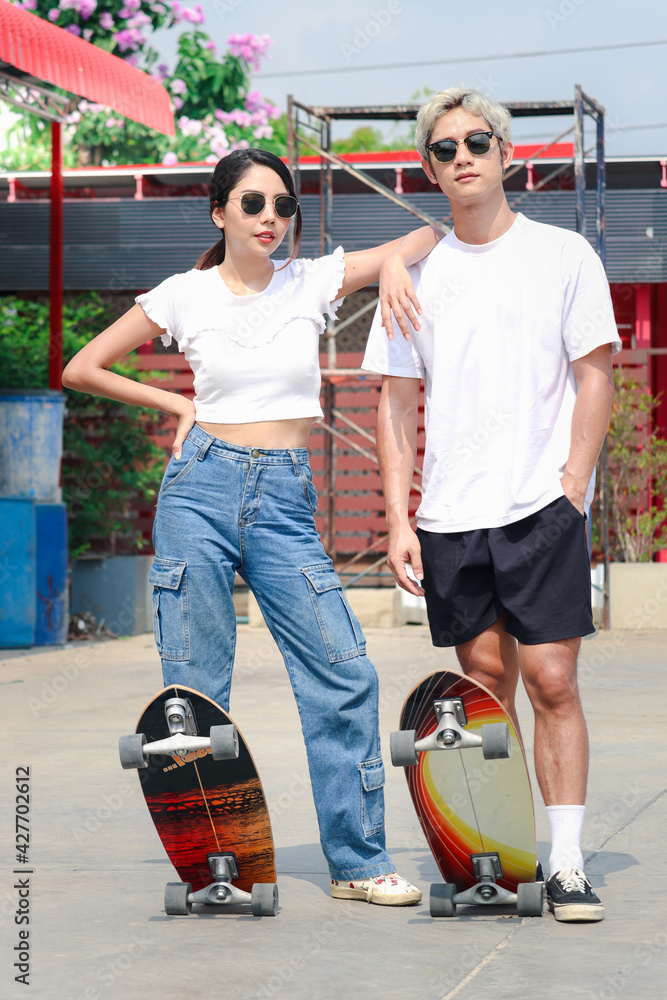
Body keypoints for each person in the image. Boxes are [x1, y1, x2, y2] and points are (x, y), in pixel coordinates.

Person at [62, 147, 444, 906]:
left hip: (283, 501)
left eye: (281, 206)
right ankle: (213, 868)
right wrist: (178, 407)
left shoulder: (312, 280)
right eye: (252, 204)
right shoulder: (183, 294)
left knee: (342, 673)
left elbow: (427, 234)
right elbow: (83, 366)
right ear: (219, 212)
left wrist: (396, 266)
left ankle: (357, 862)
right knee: (194, 692)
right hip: (198, 490)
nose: (270, 218)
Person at [363, 88, 620, 922]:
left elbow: (594, 369)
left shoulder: (562, 254)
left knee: (551, 679)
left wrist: (572, 479)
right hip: (450, 516)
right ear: (429, 168)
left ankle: (568, 861)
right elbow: (396, 404)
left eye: (478, 141)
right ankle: (498, 856)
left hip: (538, 507)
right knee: (479, 683)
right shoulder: (412, 277)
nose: (463, 155)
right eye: (444, 148)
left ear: (505, 155)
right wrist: (400, 518)